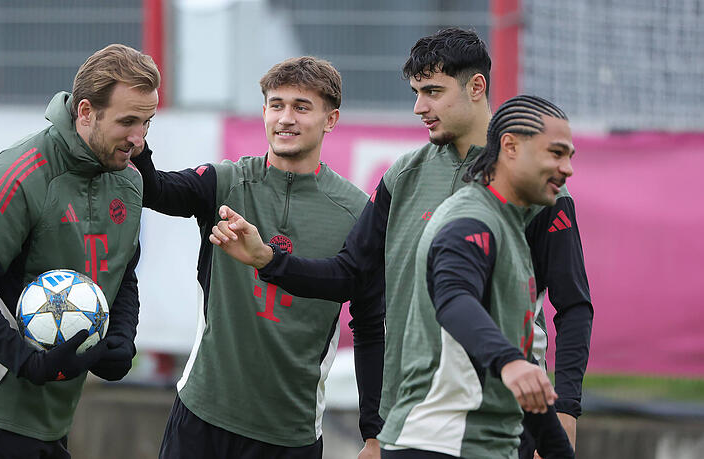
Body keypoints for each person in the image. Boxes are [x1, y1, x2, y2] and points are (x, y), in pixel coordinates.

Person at [210, 28, 593, 457]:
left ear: (477, 88)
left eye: (432, 92)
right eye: (415, 92)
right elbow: (349, 275)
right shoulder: (403, 176)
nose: (419, 107)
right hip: (411, 420)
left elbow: (573, 306)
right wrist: (268, 259)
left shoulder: (538, 188)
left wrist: (565, 415)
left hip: (502, 424)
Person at [131, 56, 383, 458]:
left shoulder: (358, 213)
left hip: (289, 435)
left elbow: (371, 325)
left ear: (330, 119)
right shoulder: (225, 182)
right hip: (201, 416)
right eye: (276, 105)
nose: (286, 118)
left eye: (302, 107)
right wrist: (137, 133)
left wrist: (373, 434)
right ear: (264, 110)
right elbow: (155, 189)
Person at [0, 43, 159, 458]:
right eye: (128, 121)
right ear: (86, 112)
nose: (139, 139)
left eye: (147, 122)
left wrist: (122, 338)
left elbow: (123, 273)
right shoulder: (19, 174)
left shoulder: (129, 180)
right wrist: (29, 361)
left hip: (55, 419)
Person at [377, 94, 576, 458]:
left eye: (569, 157)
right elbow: (453, 299)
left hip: (484, 445)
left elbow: (525, 367)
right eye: (556, 153)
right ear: (511, 147)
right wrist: (510, 361)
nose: (567, 169)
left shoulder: (510, 225)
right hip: (438, 443)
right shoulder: (470, 219)